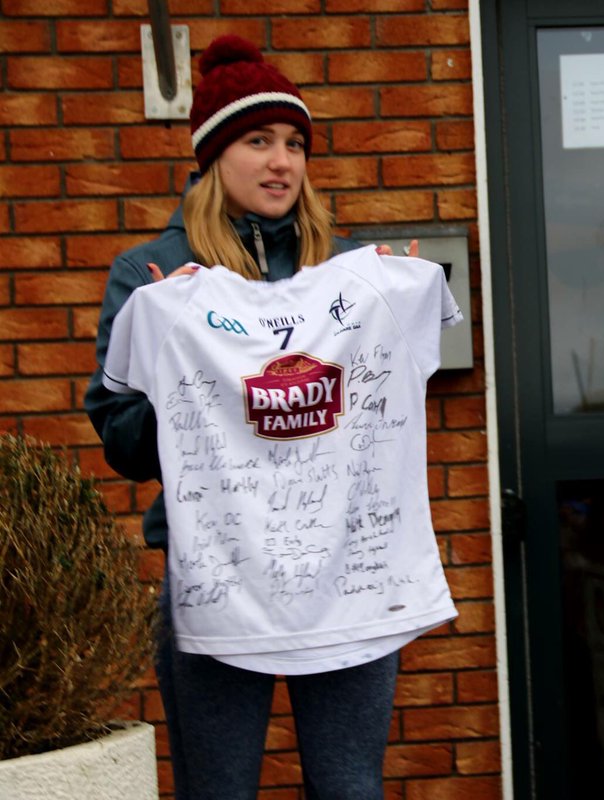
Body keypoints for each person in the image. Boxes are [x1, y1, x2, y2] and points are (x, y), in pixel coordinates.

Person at [84, 35, 441, 800]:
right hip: (215, 575)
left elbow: (380, 411)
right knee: (218, 790)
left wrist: (392, 314)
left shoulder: (347, 276)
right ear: (214, 154)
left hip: (348, 568)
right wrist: (184, 383)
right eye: (257, 141)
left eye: (294, 144)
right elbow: (120, 441)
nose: (281, 162)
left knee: (349, 788)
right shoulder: (150, 276)